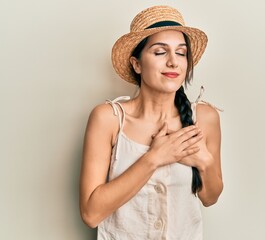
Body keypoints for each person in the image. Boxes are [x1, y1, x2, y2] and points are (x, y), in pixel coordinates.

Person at [79, 5, 223, 240]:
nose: (173, 62)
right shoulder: (108, 118)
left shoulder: (204, 118)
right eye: (159, 52)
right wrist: (154, 158)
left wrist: (205, 161)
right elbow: (91, 213)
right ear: (136, 64)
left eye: (181, 53)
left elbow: (210, 198)